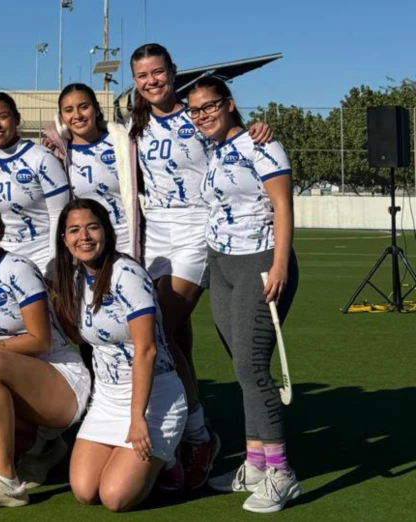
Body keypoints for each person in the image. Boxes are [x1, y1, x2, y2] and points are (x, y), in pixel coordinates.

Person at [127, 43, 272, 489]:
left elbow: (232, 137)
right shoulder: (134, 125)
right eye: (142, 75)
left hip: (196, 228)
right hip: (154, 232)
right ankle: (191, 429)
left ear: (172, 73)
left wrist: (256, 131)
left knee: (159, 331)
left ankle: (198, 432)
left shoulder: (195, 115)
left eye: (158, 72)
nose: (151, 81)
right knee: (179, 339)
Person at [187, 77, 301, 513]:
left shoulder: (263, 145)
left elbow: (283, 206)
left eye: (209, 106)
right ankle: (255, 462)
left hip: (260, 263)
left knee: (252, 367)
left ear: (229, 104)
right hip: (222, 263)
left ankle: (281, 471)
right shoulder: (212, 149)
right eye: (195, 110)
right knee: (241, 366)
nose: (202, 115)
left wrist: (278, 264)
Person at [0, 198, 90, 511]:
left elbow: (39, 341)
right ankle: (44, 446)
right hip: (12, 376)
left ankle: (6, 481)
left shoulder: (19, 268)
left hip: (59, 375)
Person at [52, 199, 186, 512]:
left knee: (115, 497)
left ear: (107, 232)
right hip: (108, 399)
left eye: (92, 227)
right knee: (85, 491)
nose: (83, 236)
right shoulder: (75, 279)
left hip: (154, 399)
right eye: (74, 230)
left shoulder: (127, 273)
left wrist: (138, 418)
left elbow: (147, 349)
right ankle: (138, 462)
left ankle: (168, 460)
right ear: (64, 240)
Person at [0, 93, 70, 277]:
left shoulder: (41, 157)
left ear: (16, 118)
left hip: (42, 262)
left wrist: (54, 264)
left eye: (2, 117)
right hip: (1, 263)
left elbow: (60, 215)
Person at [53, 83, 139, 258]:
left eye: (84, 107)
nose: (77, 115)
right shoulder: (59, 154)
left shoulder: (123, 141)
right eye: (69, 110)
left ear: (97, 108)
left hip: (124, 240)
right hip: (86, 246)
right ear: (61, 117)